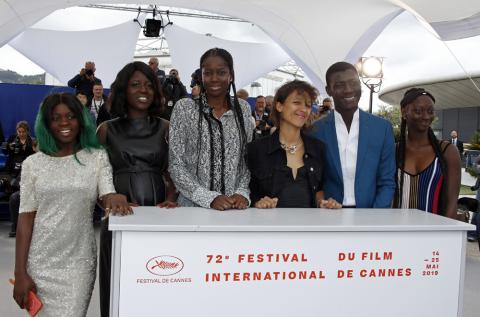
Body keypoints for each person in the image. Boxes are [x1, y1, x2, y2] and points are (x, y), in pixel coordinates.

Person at [13, 93, 130, 316]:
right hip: (39, 262)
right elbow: (25, 218)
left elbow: (107, 194)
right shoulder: (32, 164)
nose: (64, 123)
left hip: (79, 261)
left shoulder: (96, 157)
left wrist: (114, 197)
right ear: (47, 123)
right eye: (56, 118)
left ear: (81, 119)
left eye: (70, 116)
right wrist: (20, 273)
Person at [96, 61, 177, 317]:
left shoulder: (166, 128)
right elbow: (96, 177)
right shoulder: (106, 129)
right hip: (119, 219)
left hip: (159, 219)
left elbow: (175, 171)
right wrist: (107, 198)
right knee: (118, 285)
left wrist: (173, 198)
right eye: (135, 84)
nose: (144, 89)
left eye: (149, 84)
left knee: (158, 283)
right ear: (123, 90)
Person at [169, 47, 254, 210]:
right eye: (208, 73)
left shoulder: (242, 109)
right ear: (201, 76)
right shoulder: (184, 108)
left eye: (221, 72)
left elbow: (246, 160)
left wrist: (242, 192)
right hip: (192, 209)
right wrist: (209, 198)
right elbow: (175, 164)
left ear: (231, 76)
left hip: (234, 209)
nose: (214, 78)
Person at [310, 61, 396, 208]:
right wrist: (321, 204)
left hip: (371, 218)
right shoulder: (315, 131)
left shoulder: (382, 129)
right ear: (328, 90)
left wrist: (375, 218)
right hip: (330, 218)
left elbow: (387, 181)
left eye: (353, 83)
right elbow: (314, 182)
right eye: (339, 85)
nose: (348, 90)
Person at [248, 80, 341, 209]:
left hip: (308, 227)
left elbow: (319, 190)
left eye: (308, 105)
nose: (303, 109)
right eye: (297, 102)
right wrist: (258, 202)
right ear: (279, 106)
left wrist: (323, 202)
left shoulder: (318, 148)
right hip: (269, 227)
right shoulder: (256, 149)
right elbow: (247, 192)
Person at [393, 88, 460, 218]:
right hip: (396, 232)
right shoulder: (393, 150)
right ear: (404, 112)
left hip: (433, 233)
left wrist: (445, 235)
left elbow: (452, 203)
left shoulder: (447, 151)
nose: (426, 116)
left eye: (430, 111)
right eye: (418, 111)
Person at [5, 121, 35, 238]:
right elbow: (8, 152)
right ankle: (15, 224)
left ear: (27, 131)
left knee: (18, 192)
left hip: (26, 171)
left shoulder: (32, 141)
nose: (21, 134)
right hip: (14, 170)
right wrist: (10, 147)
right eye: (19, 132)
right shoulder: (13, 139)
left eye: (23, 132)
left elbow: (35, 156)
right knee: (13, 192)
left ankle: (22, 224)